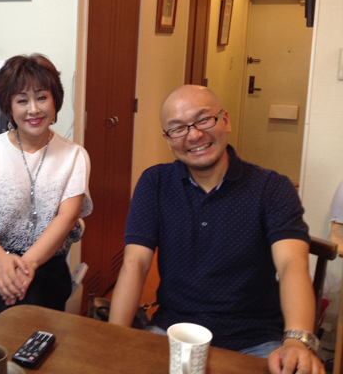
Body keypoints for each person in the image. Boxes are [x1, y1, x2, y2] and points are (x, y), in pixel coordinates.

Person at [108, 84, 324, 374]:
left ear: (225, 120)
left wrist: (297, 341)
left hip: (255, 338)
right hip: (174, 332)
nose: (194, 135)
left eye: (203, 119)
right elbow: (135, 264)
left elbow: (291, 265)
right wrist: (114, 337)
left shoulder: (272, 188)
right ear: (168, 139)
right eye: (178, 128)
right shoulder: (155, 183)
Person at [0, 54, 93, 336]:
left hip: (45, 264)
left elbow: (67, 218)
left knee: (29, 319)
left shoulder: (75, 156)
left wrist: (28, 264)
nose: (33, 109)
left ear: (55, 100)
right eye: (22, 100)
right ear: (8, 106)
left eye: (42, 97)